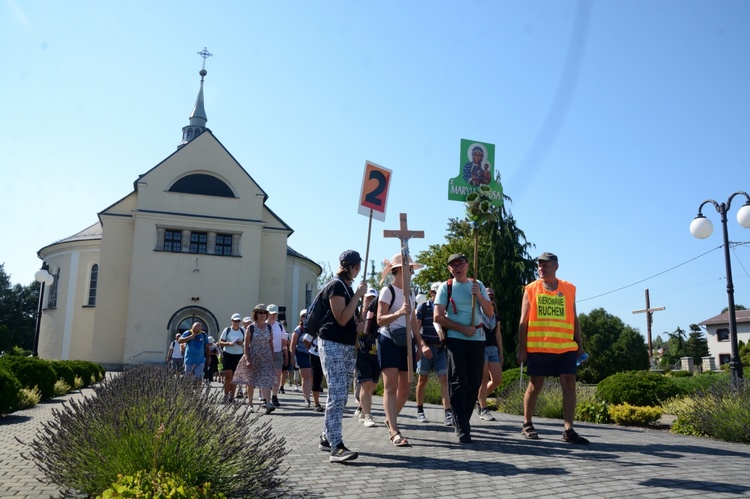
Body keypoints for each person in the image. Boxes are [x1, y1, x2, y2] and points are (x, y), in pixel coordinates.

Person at [517, 252, 589, 444]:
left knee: (569, 385)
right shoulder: (531, 289)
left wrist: (579, 346)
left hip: (565, 347)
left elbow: (574, 318)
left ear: (556, 266)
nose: (541, 268)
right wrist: (521, 349)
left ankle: (569, 429)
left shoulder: (568, 289)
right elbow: (523, 322)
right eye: (539, 265)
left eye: (545, 265)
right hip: (539, 346)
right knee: (535, 385)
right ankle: (527, 423)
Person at [433, 253, 493, 444]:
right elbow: (438, 317)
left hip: (477, 338)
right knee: (458, 381)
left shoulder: (478, 285)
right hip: (456, 338)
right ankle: (463, 428)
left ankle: (463, 420)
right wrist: (461, 328)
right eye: (453, 265)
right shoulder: (446, 287)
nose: (457, 268)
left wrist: (479, 296)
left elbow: (490, 312)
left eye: (461, 264)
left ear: (467, 265)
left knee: (475, 382)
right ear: (449, 269)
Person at [317, 250, 367, 463]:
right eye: (358, 267)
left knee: (338, 395)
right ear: (355, 267)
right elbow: (341, 318)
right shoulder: (337, 285)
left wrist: (360, 324)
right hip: (332, 344)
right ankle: (336, 448)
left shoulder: (347, 287)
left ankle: (326, 437)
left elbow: (350, 322)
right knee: (337, 396)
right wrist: (358, 295)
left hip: (345, 345)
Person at [377, 253, 428, 447]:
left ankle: (390, 418)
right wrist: (399, 312)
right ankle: (394, 431)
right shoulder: (387, 291)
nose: (412, 272)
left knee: (406, 388)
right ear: (399, 270)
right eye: (410, 269)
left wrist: (419, 342)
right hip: (388, 339)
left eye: (413, 269)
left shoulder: (411, 292)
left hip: (406, 341)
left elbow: (413, 320)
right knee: (391, 386)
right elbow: (379, 320)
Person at [415, 282, 451, 426]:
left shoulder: (446, 309)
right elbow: (416, 330)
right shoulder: (423, 307)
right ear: (431, 294)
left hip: (441, 349)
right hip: (427, 348)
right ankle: (420, 410)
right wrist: (422, 346)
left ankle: (447, 413)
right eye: (436, 293)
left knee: (444, 379)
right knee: (422, 379)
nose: (439, 297)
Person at [232, 304, 277, 414]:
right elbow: (246, 345)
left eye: (264, 313)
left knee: (266, 379)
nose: (263, 315)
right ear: (255, 314)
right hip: (253, 355)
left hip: (266, 356)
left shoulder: (269, 327)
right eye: (260, 312)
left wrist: (272, 356)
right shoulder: (251, 327)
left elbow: (270, 342)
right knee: (250, 380)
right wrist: (247, 359)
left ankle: (268, 403)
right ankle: (250, 404)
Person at [355, 287, 380, 427]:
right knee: (366, 383)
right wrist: (356, 328)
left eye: (372, 299)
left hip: (377, 353)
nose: (370, 301)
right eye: (368, 298)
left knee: (373, 385)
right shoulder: (358, 315)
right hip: (362, 353)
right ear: (363, 300)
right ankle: (368, 416)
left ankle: (361, 406)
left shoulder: (379, 316)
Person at [477, 288, 502, 421]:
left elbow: (498, 334)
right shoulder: (478, 312)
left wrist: (501, 352)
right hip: (481, 346)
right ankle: (483, 408)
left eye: (492, 297)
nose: (490, 299)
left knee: (497, 379)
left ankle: (479, 399)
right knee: (483, 379)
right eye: (488, 296)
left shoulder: (495, 315)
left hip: (493, 348)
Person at [218, 313, 245, 403]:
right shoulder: (227, 330)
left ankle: (232, 396)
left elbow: (247, 343)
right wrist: (228, 343)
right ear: (231, 321)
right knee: (228, 376)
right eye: (235, 321)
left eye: (238, 321)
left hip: (239, 354)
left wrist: (241, 343)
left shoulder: (243, 331)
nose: (236, 322)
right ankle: (225, 395)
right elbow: (220, 342)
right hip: (228, 354)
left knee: (235, 377)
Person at [267, 305, 288, 407]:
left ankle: (274, 396)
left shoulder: (280, 326)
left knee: (277, 375)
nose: (274, 315)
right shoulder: (263, 325)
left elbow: (283, 341)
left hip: (278, 352)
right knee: (267, 375)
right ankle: (265, 397)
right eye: (272, 313)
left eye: (275, 313)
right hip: (266, 353)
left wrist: (286, 355)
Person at [291, 309, 313, 407]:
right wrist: (292, 357)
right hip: (301, 354)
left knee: (311, 376)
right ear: (301, 318)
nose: (305, 318)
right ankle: (307, 399)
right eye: (304, 316)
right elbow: (293, 343)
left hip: (312, 354)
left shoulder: (313, 327)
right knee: (306, 376)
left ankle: (309, 396)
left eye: (307, 315)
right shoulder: (298, 329)